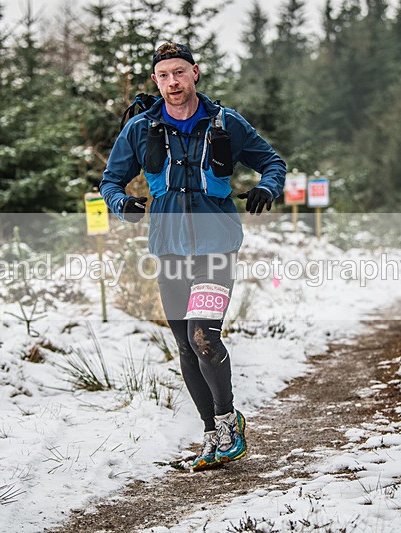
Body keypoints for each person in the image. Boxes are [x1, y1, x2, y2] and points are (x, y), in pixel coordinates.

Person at [100, 42, 286, 471]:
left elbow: (272, 162)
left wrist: (266, 187)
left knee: (204, 336)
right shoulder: (140, 128)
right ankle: (209, 432)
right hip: (168, 248)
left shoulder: (225, 122)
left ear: (195, 72)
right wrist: (121, 203)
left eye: (179, 72)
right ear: (155, 80)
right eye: (164, 75)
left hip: (216, 245)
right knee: (185, 345)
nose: (173, 82)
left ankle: (228, 422)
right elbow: (110, 181)